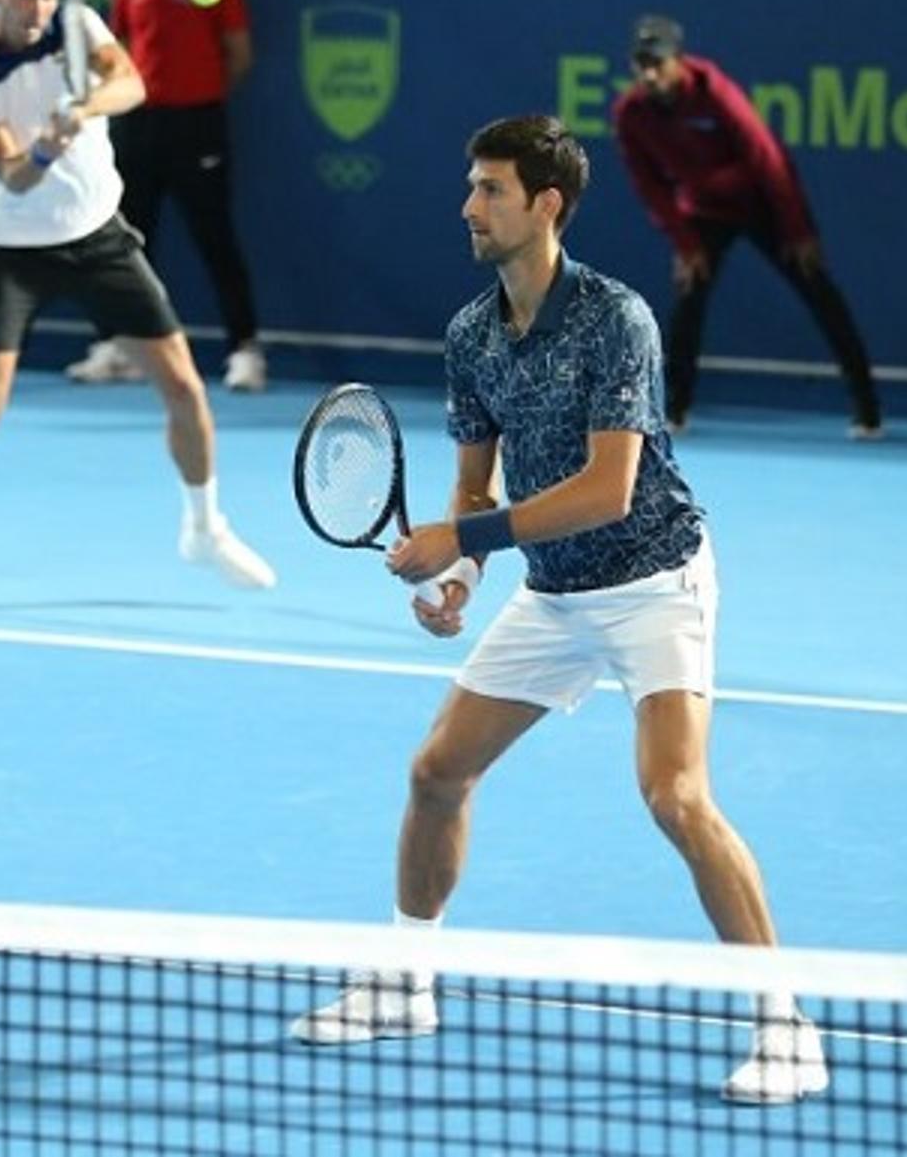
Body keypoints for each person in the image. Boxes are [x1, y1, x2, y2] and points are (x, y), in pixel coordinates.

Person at [288, 116, 828, 1106]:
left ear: (547, 205)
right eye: (470, 187)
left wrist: (466, 542)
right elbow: (473, 485)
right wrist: (462, 578)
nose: (468, 207)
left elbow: (607, 490)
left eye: (489, 190)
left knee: (675, 797)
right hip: (552, 591)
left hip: (655, 579)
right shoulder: (470, 334)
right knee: (437, 770)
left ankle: (785, 1023)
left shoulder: (615, 318)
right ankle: (406, 979)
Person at [0, 0, 276, 610]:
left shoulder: (76, 27)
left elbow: (131, 83)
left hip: (101, 239)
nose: (39, 8)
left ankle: (205, 529)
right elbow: (14, 176)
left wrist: (80, 110)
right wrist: (49, 148)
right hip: (12, 252)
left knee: (182, 385)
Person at [612, 15, 883, 438]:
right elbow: (650, 187)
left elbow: (769, 161)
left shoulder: (716, 93)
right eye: (641, 65)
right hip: (704, 212)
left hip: (764, 206)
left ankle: (868, 411)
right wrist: (685, 243)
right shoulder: (630, 114)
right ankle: (675, 411)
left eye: (658, 64)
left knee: (819, 290)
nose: (650, 74)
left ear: (679, 61)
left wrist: (798, 231)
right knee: (689, 297)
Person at [64, 0, 266, 393]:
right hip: (138, 125)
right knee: (127, 241)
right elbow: (118, 55)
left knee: (216, 239)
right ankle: (120, 346)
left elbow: (238, 55)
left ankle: (245, 351)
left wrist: (198, 93)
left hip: (198, 124)